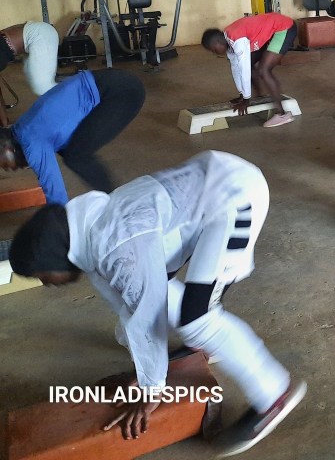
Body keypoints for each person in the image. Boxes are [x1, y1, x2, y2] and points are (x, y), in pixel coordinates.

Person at [8, 151, 306, 455]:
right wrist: (145, 374)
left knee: (197, 320)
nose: (46, 282)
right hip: (209, 184)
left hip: (235, 195)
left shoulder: (115, 247)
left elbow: (146, 312)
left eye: (42, 275)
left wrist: (152, 391)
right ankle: (203, 344)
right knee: (161, 296)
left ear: (53, 257)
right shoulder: (85, 233)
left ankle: (275, 393)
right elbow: (132, 306)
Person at [0, 69, 144, 204]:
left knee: (77, 156)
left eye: (4, 164)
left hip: (121, 93)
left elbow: (55, 191)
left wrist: (58, 217)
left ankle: (117, 204)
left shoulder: (32, 142)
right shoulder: (22, 129)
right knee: (71, 151)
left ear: (8, 148)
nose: (8, 168)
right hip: (113, 83)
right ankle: (113, 200)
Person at [202, 12, 297, 128]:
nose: (214, 53)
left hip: (283, 28)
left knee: (264, 70)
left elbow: (244, 69)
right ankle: (259, 97)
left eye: (213, 49)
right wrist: (242, 95)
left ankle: (282, 114)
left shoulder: (237, 39)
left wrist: (246, 99)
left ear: (217, 42)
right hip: (270, 29)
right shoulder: (228, 41)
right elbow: (236, 68)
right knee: (249, 63)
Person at [0, 21, 60, 124]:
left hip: (40, 35)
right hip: (35, 34)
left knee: (42, 87)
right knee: (32, 77)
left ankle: (75, 105)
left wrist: (4, 123)